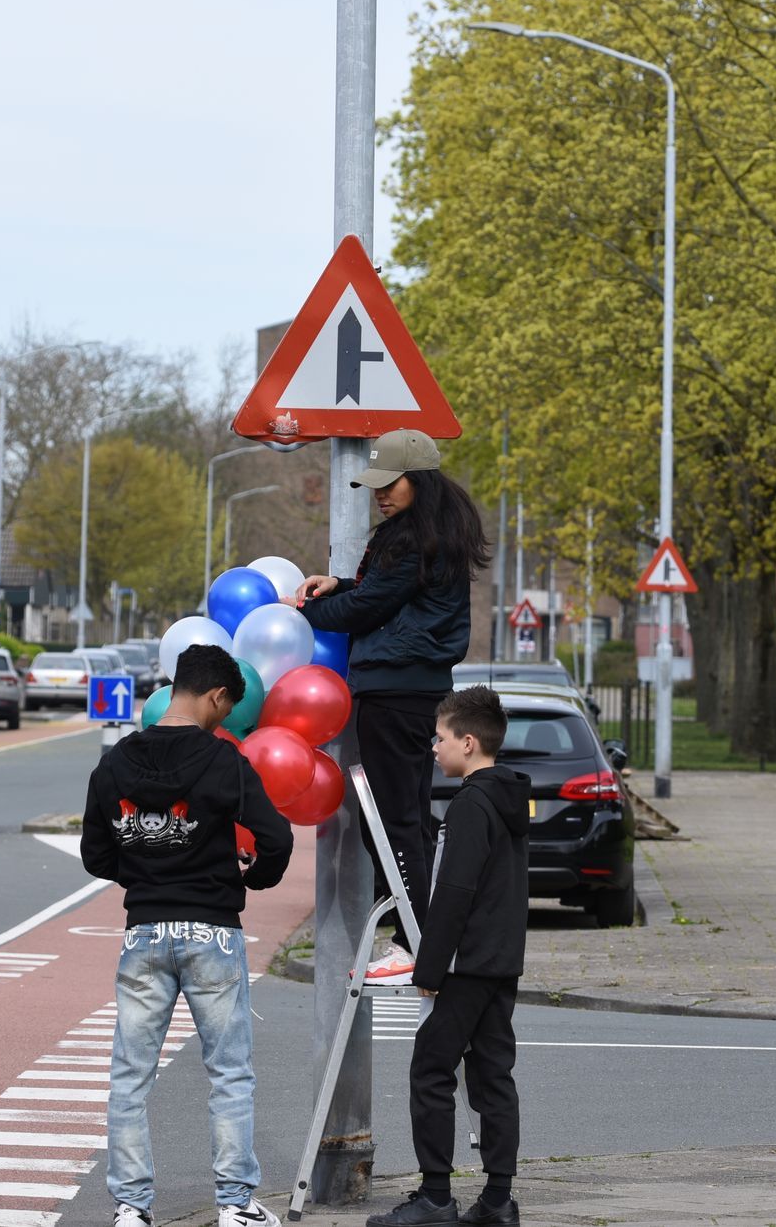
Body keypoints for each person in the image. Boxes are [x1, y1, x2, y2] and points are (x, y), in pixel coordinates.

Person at [81, 643, 296, 1227]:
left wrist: (145, 871)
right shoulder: (224, 762)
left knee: (131, 1074)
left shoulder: (116, 763)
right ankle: (234, 1206)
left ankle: (130, 1208)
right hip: (213, 934)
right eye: (227, 710)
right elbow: (276, 837)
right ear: (217, 697)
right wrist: (254, 875)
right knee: (228, 1074)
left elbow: (95, 854)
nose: (225, 720)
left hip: (144, 933)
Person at [293, 428, 488, 983]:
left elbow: (370, 606)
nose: (378, 494)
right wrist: (339, 585)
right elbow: (375, 594)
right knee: (410, 817)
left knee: (392, 820)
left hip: (393, 690)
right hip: (417, 689)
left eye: (389, 483)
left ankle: (414, 941)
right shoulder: (430, 534)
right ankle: (420, 935)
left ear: (418, 482)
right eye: (374, 485)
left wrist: (298, 614)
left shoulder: (411, 540)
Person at [368, 685, 529, 1227]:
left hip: (463, 967)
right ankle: (498, 1200)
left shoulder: (470, 805)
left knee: (431, 1071)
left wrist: (428, 967)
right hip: (500, 963)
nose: (432, 748)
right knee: (492, 1078)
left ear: (468, 742)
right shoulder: (507, 799)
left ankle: (436, 1197)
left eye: (439, 739)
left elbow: (455, 891)